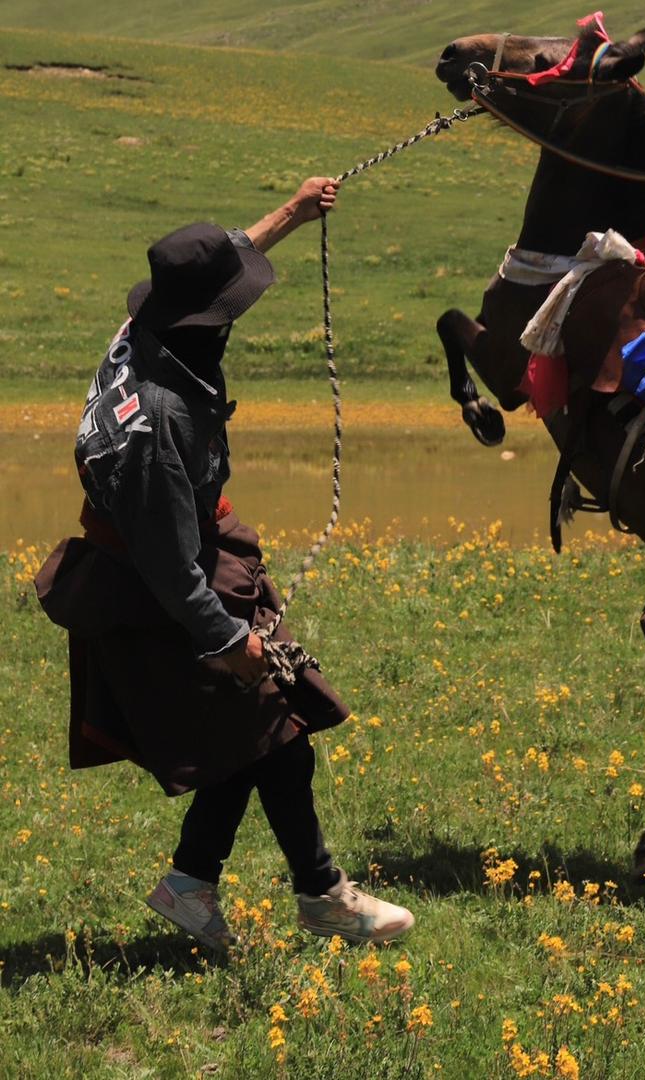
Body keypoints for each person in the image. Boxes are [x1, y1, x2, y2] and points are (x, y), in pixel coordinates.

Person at [34, 178, 414, 952]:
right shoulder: (154, 424)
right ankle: (321, 896)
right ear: (204, 321)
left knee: (253, 736)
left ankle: (192, 885)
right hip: (154, 594)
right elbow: (169, 566)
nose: (236, 318)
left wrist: (294, 212)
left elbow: (226, 256)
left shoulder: (143, 327)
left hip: (186, 563)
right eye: (229, 310)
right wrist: (228, 640)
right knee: (273, 727)